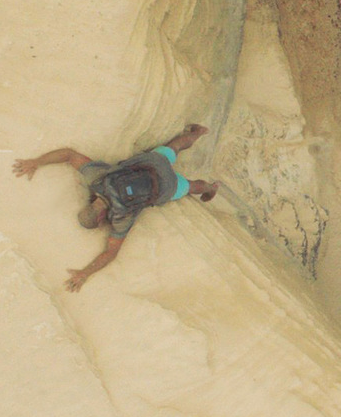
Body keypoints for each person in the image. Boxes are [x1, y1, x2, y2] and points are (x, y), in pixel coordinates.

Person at [11, 123, 223, 291]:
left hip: (166, 186)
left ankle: (210, 187)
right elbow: (69, 154)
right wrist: (35, 162)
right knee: (173, 148)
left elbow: (111, 252)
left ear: (101, 217)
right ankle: (198, 132)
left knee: (189, 186)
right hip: (152, 164)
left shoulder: (122, 216)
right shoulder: (98, 179)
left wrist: (85, 273)